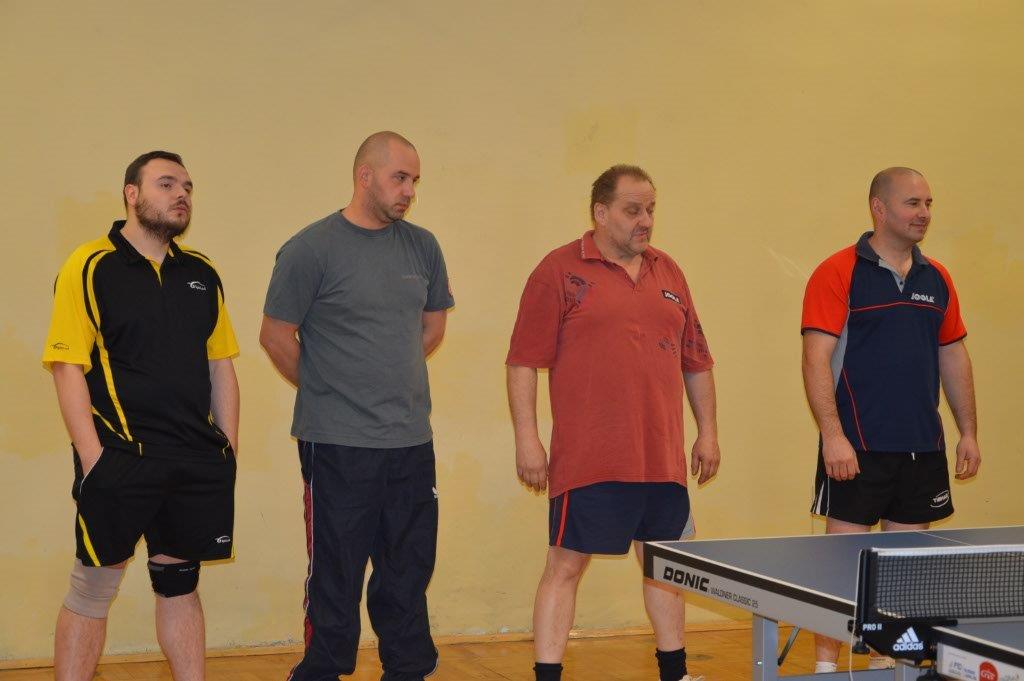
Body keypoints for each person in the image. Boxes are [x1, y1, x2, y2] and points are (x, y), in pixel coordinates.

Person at [506, 164, 719, 681]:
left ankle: (675, 673)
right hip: (591, 456)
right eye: (632, 210)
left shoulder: (669, 272)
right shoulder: (559, 271)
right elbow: (522, 361)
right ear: (600, 213)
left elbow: (696, 361)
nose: (645, 220)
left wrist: (708, 433)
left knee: (665, 567)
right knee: (565, 566)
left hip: (662, 457)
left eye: (651, 210)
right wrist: (527, 440)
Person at [260, 131, 454, 681]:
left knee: (408, 566)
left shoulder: (423, 247)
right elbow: (275, 335)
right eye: (400, 178)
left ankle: (408, 668)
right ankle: (322, 669)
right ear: (365, 176)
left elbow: (432, 326)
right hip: (337, 443)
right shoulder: (310, 249)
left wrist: (385, 381)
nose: (409, 190)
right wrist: (331, 390)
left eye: (415, 180)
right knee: (336, 570)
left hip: (410, 440)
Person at [43, 151, 240, 681]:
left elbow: (220, 366)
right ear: (131, 194)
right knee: (93, 587)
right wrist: (94, 459)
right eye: (166, 184)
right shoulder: (90, 264)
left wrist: (227, 450)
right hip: (119, 456)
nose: (182, 195)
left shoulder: (201, 272)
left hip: (193, 459)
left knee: (179, 584)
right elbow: (67, 365)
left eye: (188, 187)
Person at [801, 167, 981, 673]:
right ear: (879, 208)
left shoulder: (937, 277)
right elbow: (816, 359)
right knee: (841, 571)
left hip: (921, 449)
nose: (924, 213)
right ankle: (826, 669)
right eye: (912, 203)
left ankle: (890, 663)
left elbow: (953, 356)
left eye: (929, 203)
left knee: (902, 573)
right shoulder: (838, 272)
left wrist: (968, 432)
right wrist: (833, 437)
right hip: (857, 448)